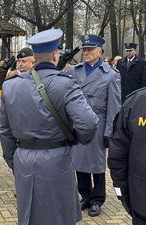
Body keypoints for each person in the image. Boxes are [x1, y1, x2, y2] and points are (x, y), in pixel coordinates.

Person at [0, 28, 99, 225]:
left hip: (23, 158)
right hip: (56, 158)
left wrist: (14, 161)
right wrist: (75, 140)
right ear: (55, 54)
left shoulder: (11, 85)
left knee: (29, 214)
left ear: (34, 57)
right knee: (58, 215)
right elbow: (88, 124)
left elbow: (4, 131)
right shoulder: (66, 84)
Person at [68, 34, 121, 216]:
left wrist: (110, 132)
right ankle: (85, 195)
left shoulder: (111, 74)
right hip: (78, 123)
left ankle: (97, 199)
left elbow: (114, 106)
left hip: (98, 124)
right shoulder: (74, 71)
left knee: (97, 165)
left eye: (90, 49)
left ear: (100, 52)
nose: (86, 52)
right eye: (84, 49)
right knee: (79, 162)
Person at [108, 87, 146, 225]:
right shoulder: (135, 102)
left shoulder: (135, 101)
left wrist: (123, 194)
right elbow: (118, 156)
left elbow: (117, 157)